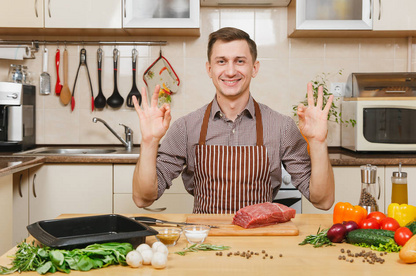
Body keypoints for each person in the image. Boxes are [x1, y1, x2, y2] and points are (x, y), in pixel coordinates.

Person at [132, 27, 335, 214]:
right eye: (221, 61)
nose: (230, 71)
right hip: (205, 243)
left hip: (260, 241)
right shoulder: (186, 127)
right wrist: (149, 141)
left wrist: (318, 142)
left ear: (254, 68)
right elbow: (143, 198)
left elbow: (323, 201)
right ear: (209, 69)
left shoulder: (281, 127)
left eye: (240, 61)